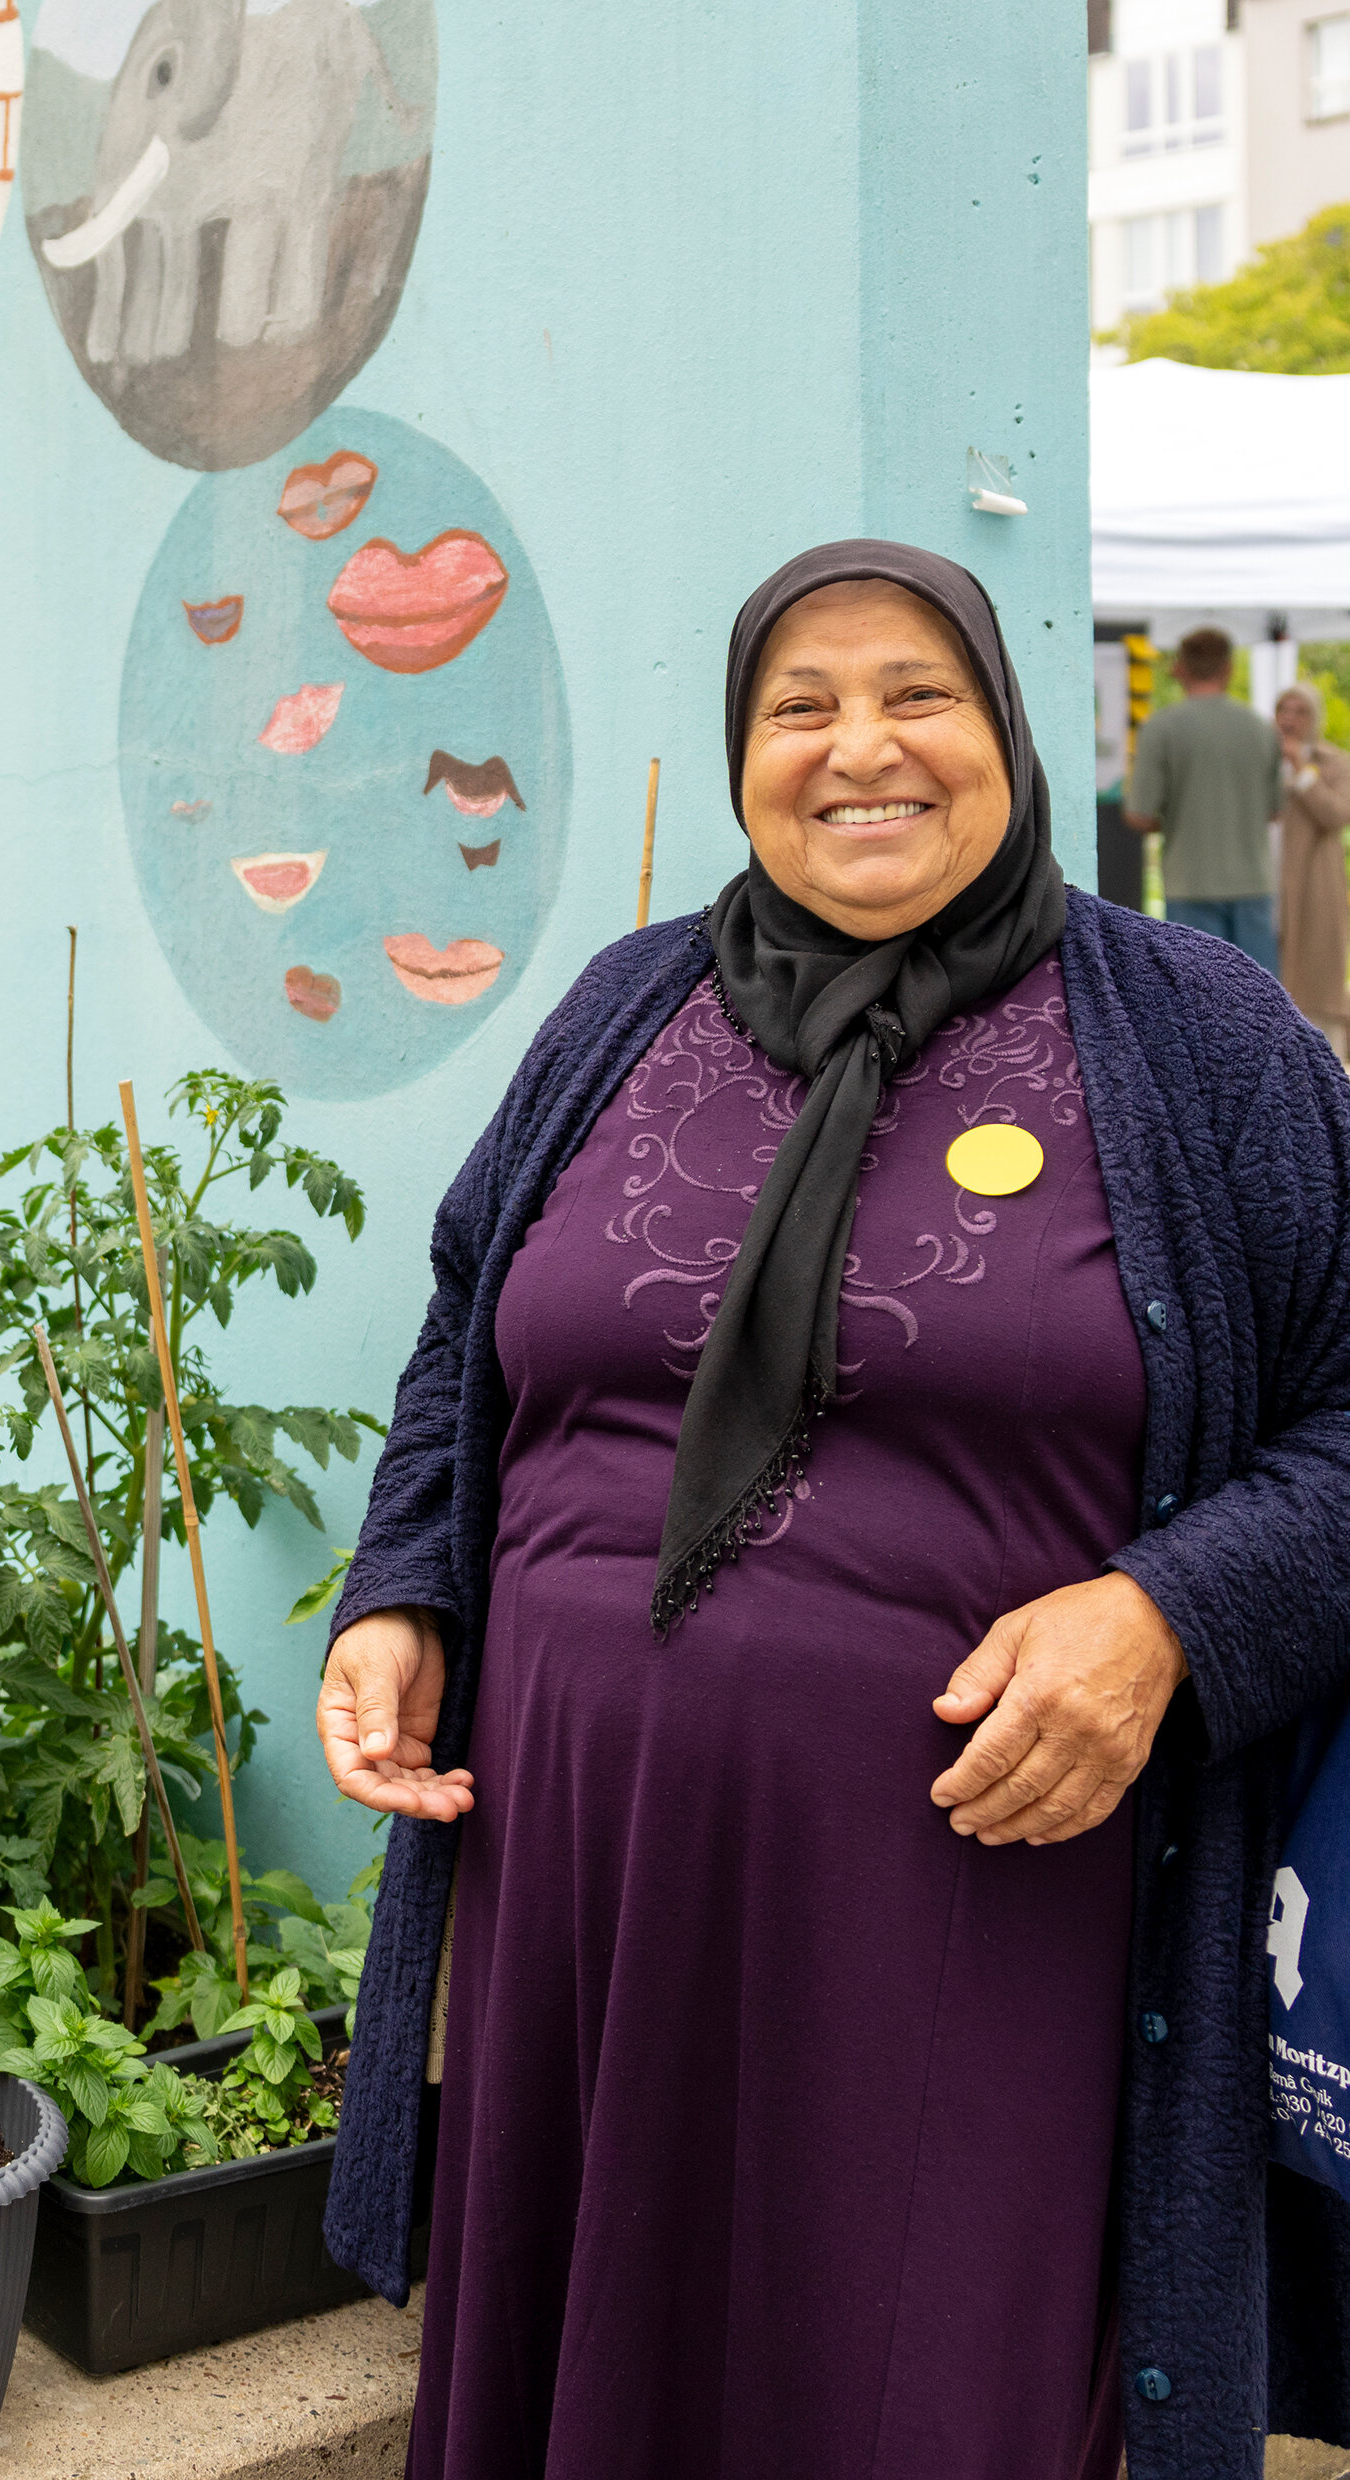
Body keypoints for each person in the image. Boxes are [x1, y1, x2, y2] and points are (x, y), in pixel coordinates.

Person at [313, 541, 1350, 2480]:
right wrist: (404, 1588)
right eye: (801, 706)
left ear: (1006, 730)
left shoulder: (1194, 1038)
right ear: (742, 753)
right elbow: (469, 1328)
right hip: (589, 1908)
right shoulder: (624, 1008)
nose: (858, 748)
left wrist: (1167, 1616)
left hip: (973, 1925)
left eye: (914, 695)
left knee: (912, 2390)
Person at [1125, 625, 1285, 966]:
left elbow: (1139, 815)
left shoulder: (1160, 728)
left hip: (1190, 882)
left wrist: (1180, 817)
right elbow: (1275, 811)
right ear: (1229, 668)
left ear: (1180, 668)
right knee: (1260, 991)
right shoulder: (1262, 729)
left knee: (1197, 992)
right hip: (1253, 882)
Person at [1278, 682, 1350, 1054]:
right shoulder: (1262, 759)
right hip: (1270, 881)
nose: (1289, 719)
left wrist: (1302, 771)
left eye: (1300, 711)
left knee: (1318, 978)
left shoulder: (1333, 762)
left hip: (1315, 884)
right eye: (1283, 710)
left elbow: (1336, 815)